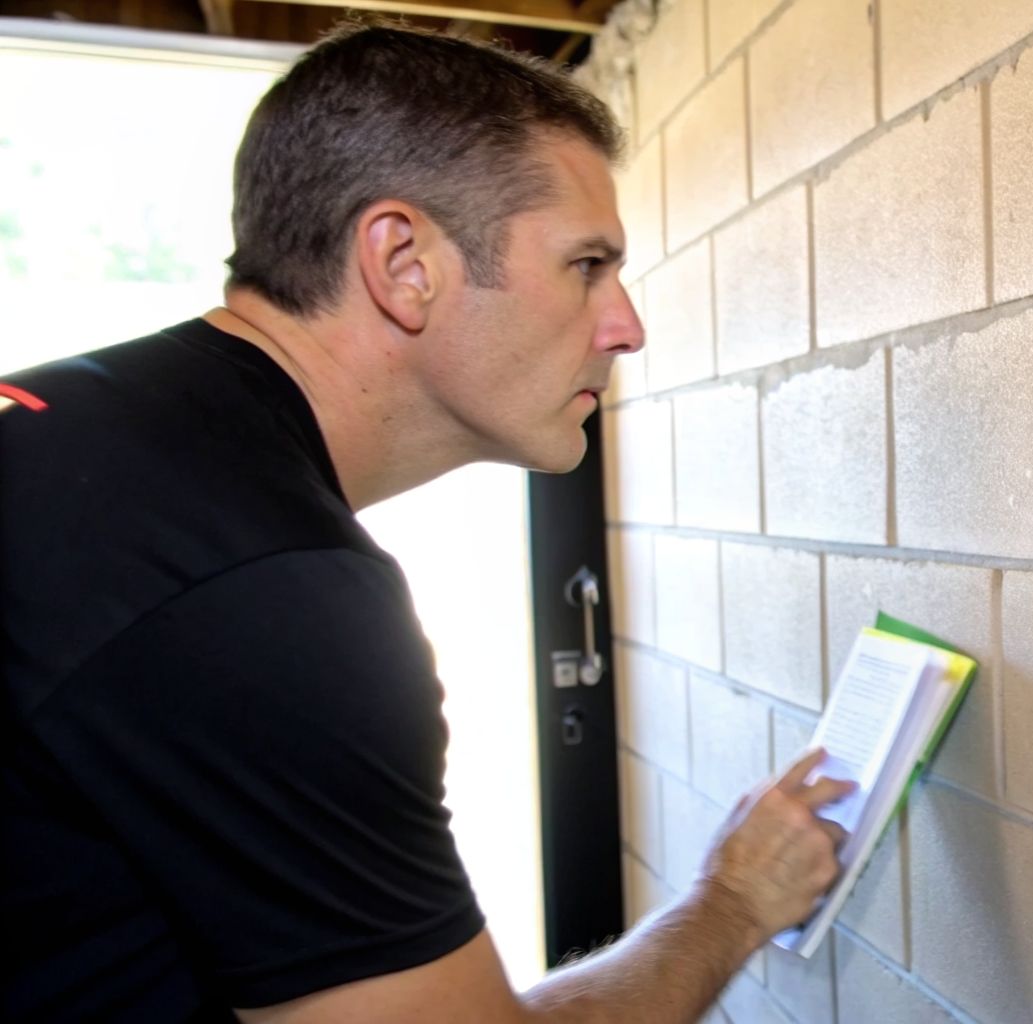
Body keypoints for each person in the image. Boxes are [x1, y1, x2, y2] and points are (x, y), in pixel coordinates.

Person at [0, 21, 851, 1023]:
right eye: (586, 264)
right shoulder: (268, 590)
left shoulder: (98, 425)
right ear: (403, 261)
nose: (625, 325)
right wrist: (731, 904)